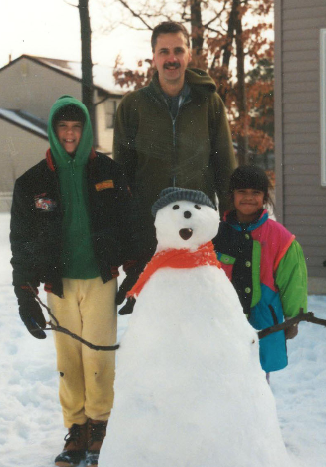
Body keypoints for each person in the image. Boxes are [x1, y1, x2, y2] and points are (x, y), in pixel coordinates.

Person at [10, 95, 142, 467]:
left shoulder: (109, 172)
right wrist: (24, 292)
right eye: (63, 127)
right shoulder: (33, 182)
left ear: (85, 130)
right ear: (53, 131)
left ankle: (100, 425)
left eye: (76, 126)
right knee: (68, 359)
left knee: (98, 355)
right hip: (59, 285)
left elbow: (129, 226)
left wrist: (134, 272)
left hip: (100, 280)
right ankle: (77, 428)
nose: (69, 134)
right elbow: (21, 241)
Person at [112, 20, 236, 269]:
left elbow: (225, 167)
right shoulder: (132, 106)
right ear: (154, 58)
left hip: (199, 230)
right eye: (164, 51)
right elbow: (122, 177)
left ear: (189, 55)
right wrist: (127, 235)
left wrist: (229, 223)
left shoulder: (209, 104)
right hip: (149, 234)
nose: (171, 58)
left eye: (178, 50)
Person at [213, 165, 308, 383]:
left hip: (263, 318)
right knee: (221, 375)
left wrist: (294, 317)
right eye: (242, 192)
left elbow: (293, 281)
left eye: (255, 193)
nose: (248, 198)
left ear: (265, 197)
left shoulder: (279, 237)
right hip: (221, 319)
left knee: (256, 378)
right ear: (231, 196)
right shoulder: (215, 234)